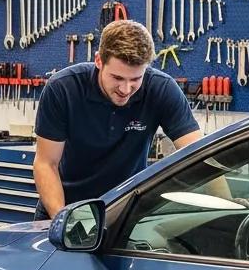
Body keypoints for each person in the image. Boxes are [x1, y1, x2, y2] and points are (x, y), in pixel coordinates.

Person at [33, 20, 202, 220]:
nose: (125, 89)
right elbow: (46, 164)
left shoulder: (161, 89)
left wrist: (230, 206)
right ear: (98, 61)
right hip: (66, 207)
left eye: (135, 79)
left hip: (122, 212)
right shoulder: (63, 88)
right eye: (117, 78)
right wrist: (63, 222)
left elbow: (200, 155)